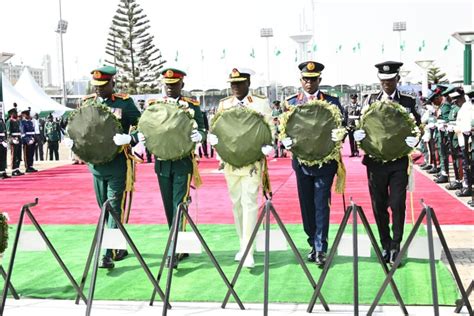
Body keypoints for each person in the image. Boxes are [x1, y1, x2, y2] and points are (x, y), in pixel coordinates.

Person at [64, 65, 141, 269]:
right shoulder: (87, 103)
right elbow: (77, 127)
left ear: (112, 83)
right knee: (104, 210)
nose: (98, 88)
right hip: (96, 167)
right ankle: (119, 246)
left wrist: (130, 138)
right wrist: (71, 140)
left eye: (103, 84)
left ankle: (106, 254)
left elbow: (143, 125)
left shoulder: (125, 103)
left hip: (118, 166)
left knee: (113, 208)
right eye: (96, 85)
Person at [354, 61, 421, 265]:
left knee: (397, 203)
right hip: (375, 162)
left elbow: (418, 126)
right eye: (383, 81)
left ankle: (396, 245)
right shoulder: (370, 100)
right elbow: (359, 124)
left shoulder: (408, 102)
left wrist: (415, 139)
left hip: (399, 161)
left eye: (391, 80)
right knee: (379, 205)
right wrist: (357, 135)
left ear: (397, 79)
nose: (387, 84)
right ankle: (385, 244)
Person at [138, 68, 206, 268]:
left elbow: (202, 128)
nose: (169, 87)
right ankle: (179, 244)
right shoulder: (154, 106)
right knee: (169, 207)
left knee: (179, 205)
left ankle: (173, 249)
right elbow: (144, 127)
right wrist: (140, 137)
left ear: (181, 85)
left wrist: (199, 136)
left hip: (183, 162)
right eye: (167, 84)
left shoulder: (191, 105)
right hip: (162, 163)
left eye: (174, 84)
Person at [281, 61, 345, 267]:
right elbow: (283, 128)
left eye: (313, 79)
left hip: (325, 163)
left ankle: (320, 247)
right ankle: (312, 241)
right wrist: (284, 140)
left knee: (320, 205)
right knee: (306, 206)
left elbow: (341, 127)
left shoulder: (333, 102)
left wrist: (340, 135)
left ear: (320, 80)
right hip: (301, 163)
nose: (309, 83)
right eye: (306, 80)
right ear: (301, 81)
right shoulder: (291, 103)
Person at [208, 68, 273, 268]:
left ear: (248, 83)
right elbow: (218, 130)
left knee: (250, 202)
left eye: (239, 83)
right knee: (236, 203)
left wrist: (270, 143)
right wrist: (214, 141)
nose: (235, 87)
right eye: (232, 84)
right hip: (230, 162)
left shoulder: (260, 103)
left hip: (253, 161)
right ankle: (242, 244)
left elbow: (270, 127)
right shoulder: (224, 104)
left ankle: (248, 250)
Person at [6, 108, 24, 176]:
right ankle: (13, 170)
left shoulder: (17, 121)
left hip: (18, 139)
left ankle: (17, 168)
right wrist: (12, 139)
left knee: (18, 155)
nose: (16, 114)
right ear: (11, 114)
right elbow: (8, 133)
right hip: (13, 140)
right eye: (14, 113)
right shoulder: (9, 121)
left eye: (16, 113)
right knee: (14, 155)